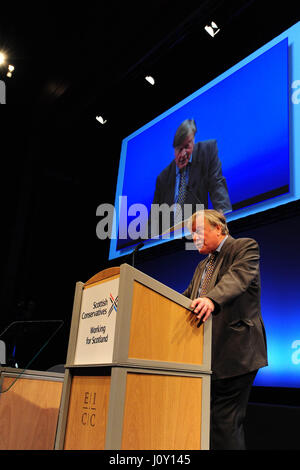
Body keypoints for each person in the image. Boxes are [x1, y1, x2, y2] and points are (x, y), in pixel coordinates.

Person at [183, 209, 268, 450]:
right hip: (208, 357)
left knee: (225, 423)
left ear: (219, 229)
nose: (194, 238)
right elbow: (187, 298)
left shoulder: (243, 248)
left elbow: (237, 278)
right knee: (208, 424)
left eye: (198, 232)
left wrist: (211, 299)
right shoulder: (202, 265)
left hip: (237, 353)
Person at [149, 119, 231, 237]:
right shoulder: (163, 178)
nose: (183, 154)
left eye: (187, 146)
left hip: (197, 234)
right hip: (168, 240)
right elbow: (153, 220)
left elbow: (217, 185)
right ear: (174, 149)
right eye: (179, 149)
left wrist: (225, 220)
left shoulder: (207, 151)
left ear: (193, 142)